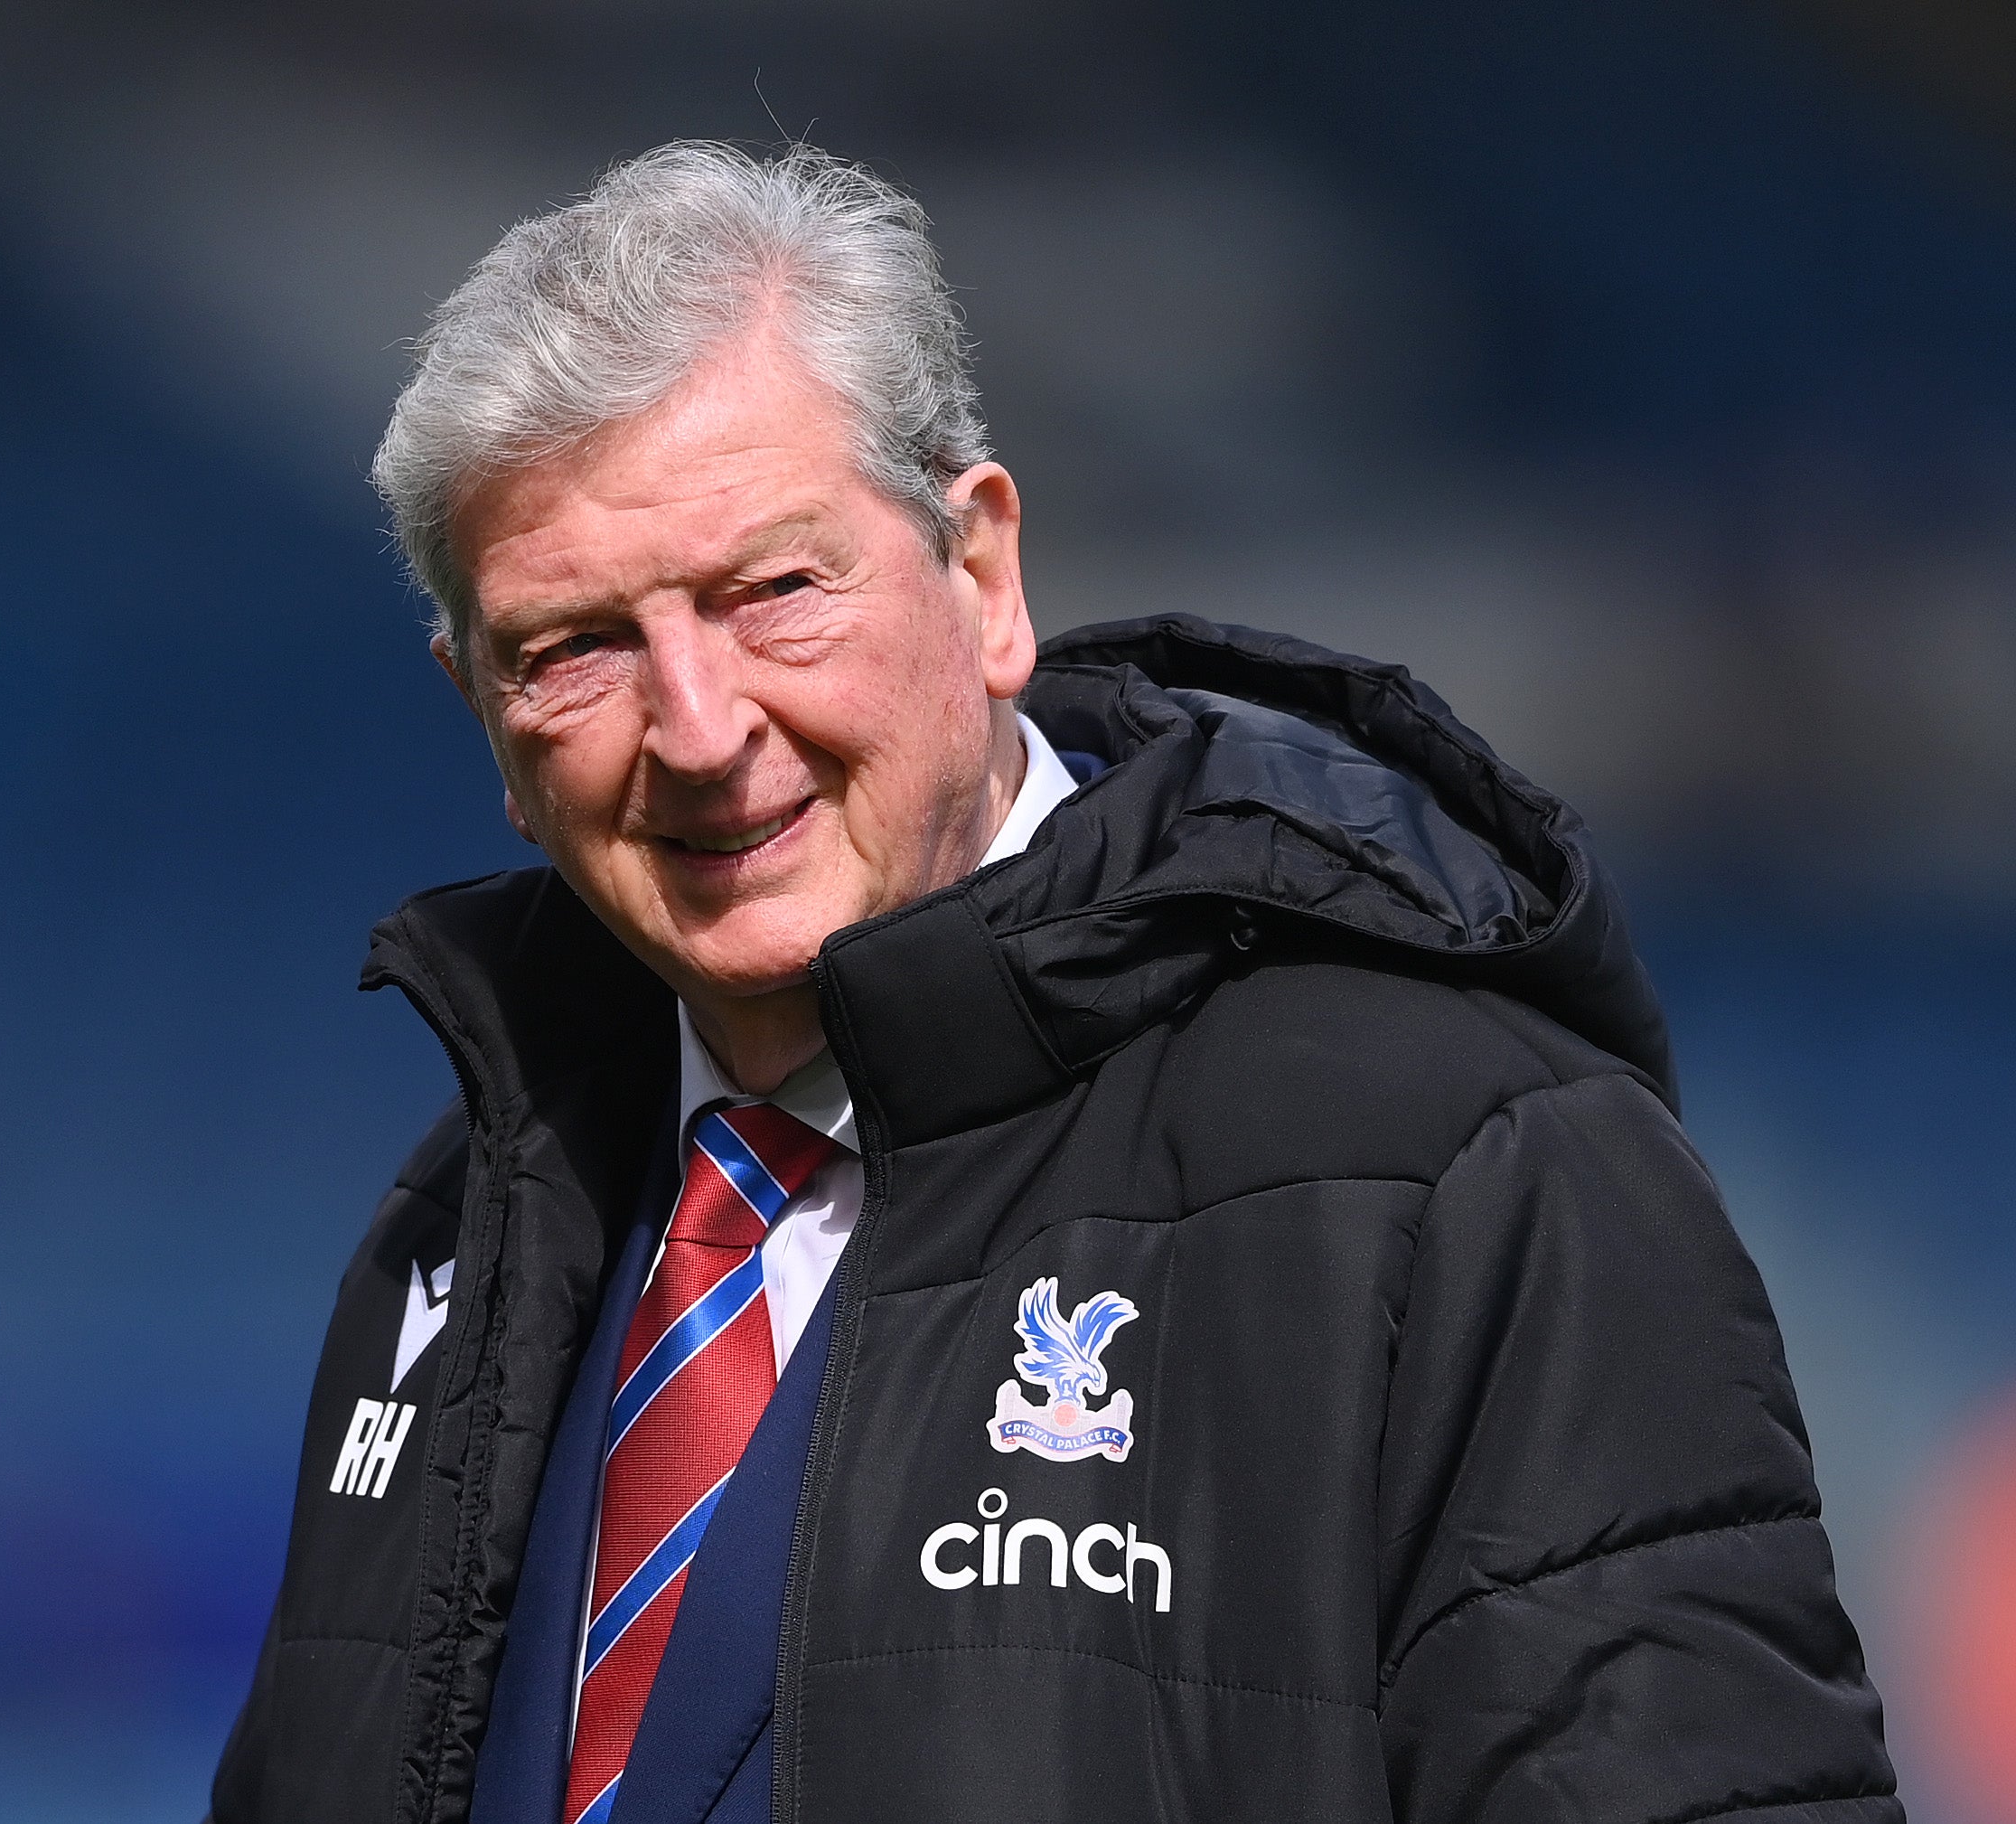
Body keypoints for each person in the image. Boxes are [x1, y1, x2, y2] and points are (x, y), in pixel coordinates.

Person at [207, 142, 1899, 1824]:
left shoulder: (1462, 1163)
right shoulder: (462, 1234)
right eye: (574, 648)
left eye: (775, 590)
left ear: (984, 574)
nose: (701, 730)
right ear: (481, 716)